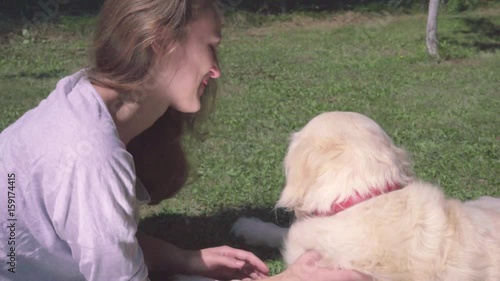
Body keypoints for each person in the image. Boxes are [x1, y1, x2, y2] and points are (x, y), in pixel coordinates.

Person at [0, 0, 372, 280]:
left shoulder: (82, 97)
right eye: (210, 45)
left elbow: (90, 241)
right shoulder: (90, 155)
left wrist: (187, 259)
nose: (216, 68)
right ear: (161, 41)